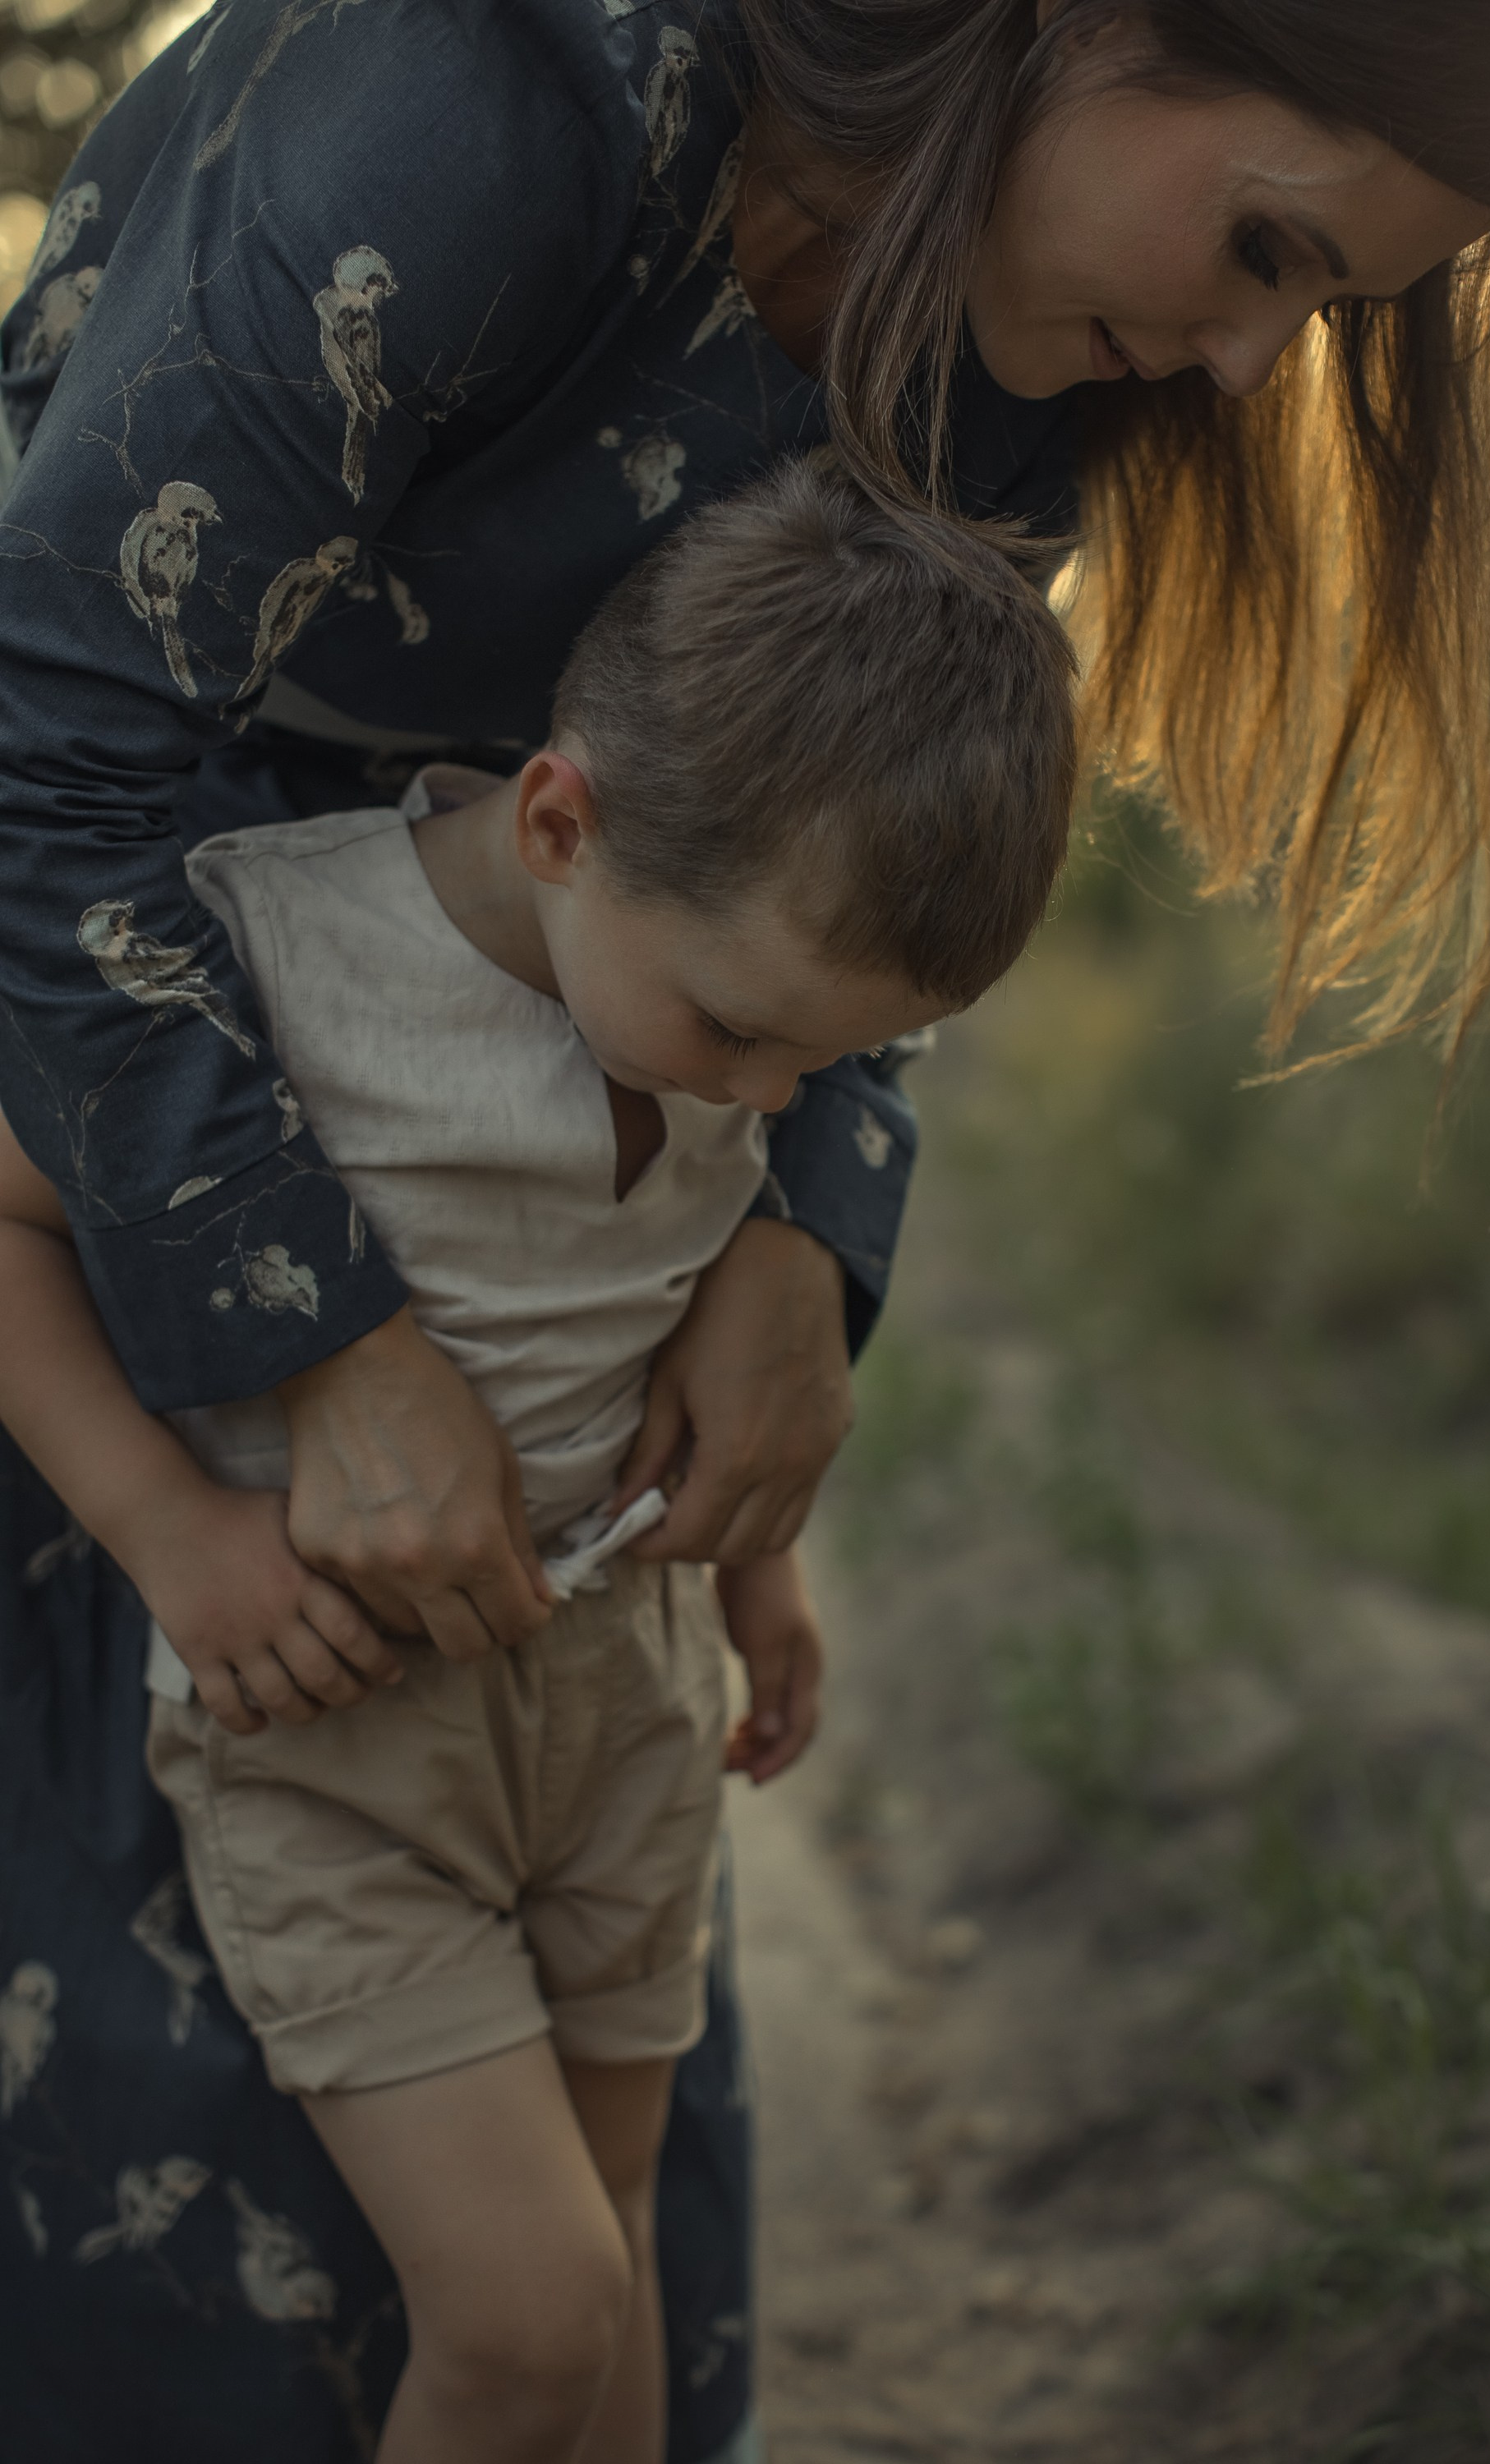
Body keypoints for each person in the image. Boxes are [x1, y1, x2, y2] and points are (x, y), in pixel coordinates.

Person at [0, 1, 1490, 2455]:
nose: (1254, 361)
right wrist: (327, 1347)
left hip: (556, 1554)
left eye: (1335, 315)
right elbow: (39, 740)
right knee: (216, 2210)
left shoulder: (1011, 366)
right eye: (1272, 247)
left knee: (589, 2232)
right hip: (131, 1171)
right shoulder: (485, 103)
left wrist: (805, 1248)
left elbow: (849, 893)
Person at [0, 457, 1075, 2464]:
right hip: (346, 1741)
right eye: (741, 1035)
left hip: (625, 1715)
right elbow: (11, 1225)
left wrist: (754, 1567)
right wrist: (172, 1540)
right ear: (562, 821)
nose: (767, 1101)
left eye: (815, 1067)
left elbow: (661, 1317)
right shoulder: (271, 962)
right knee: (522, 2317)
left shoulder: (727, 964)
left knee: (620, 2293)